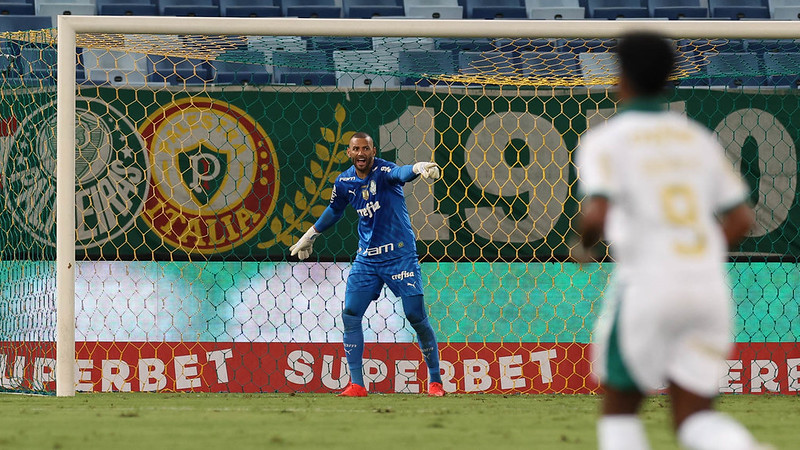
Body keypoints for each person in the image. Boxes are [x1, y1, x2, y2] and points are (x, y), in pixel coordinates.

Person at [575, 32, 767, 450]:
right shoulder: (696, 138)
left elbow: (597, 215)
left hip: (648, 284)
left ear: (619, 77)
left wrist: (585, 245)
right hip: (708, 288)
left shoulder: (606, 139)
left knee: (620, 410)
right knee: (696, 418)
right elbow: (741, 218)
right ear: (669, 79)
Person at [289, 131, 445, 397]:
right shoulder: (344, 181)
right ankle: (358, 384)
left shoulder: (385, 171)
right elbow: (335, 210)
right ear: (349, 153)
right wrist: (310, 235)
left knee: (415, 316)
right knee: (350, 314)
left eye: (366, 149)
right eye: (356, 149)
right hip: (367, 259)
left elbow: (401, 173)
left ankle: (434, 381)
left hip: (399, 255)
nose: (361, 153)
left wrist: (418, 168)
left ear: (373, 152)